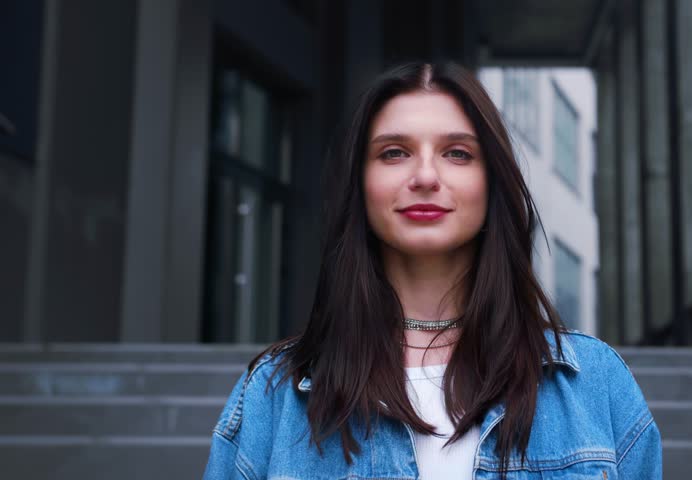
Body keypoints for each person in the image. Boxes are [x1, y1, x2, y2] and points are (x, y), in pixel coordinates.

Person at [202, 62, 662, 480]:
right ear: (360, 185)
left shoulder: (596, 382)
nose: (425, 176)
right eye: (394, 153)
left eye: (457, 153)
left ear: (492, 182)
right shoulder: (273, 395)